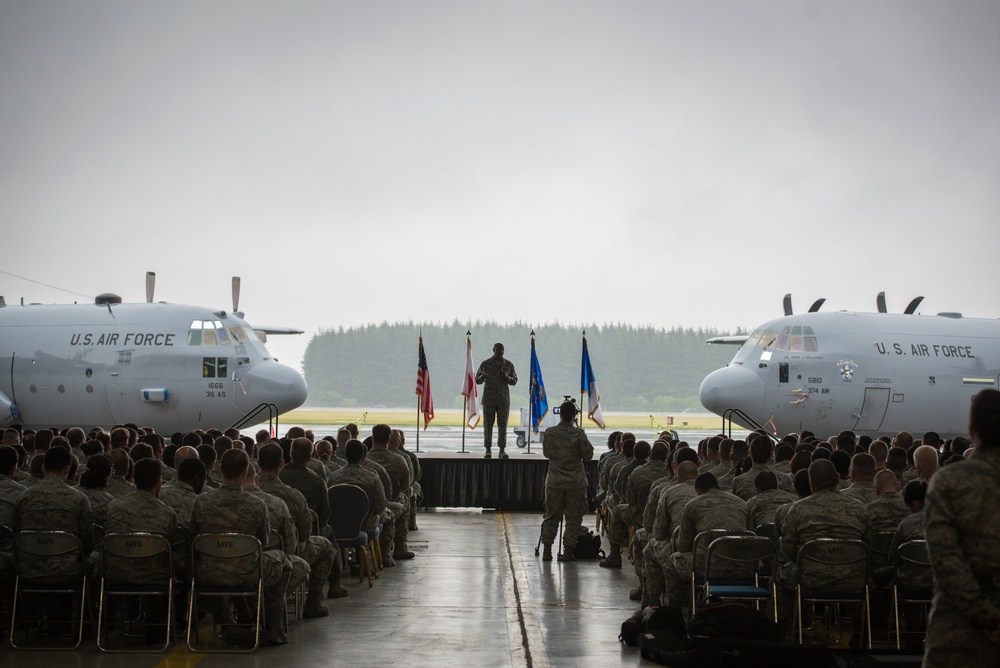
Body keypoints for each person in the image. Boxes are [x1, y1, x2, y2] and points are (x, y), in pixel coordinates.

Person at [923, 389, 1000, 667]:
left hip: (959, 631)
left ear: (971, 430)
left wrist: (986, 616)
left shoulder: (948, 482)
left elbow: (945, 561)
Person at [539, 400, 593, 562]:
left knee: (551, 516)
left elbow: (547, 454)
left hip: (555, 482)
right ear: (574, 416)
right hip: (575, 483)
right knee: (574, 518)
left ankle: (547, 551)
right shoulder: (578, 434)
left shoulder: (550, 433)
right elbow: (588, 456)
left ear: (560, 415)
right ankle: (568, 552)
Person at [476, 342, 517, 459]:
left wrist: (507, 378)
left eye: (502, 350)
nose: (500, 352)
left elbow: (514, 380)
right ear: (493, 350)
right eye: (498, 350)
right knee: (488, 425)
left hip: (503, 400)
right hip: (489, 400)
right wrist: (483, 376)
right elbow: (477, 380)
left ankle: (502, 450)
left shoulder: (508, 364)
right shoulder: (485, 364)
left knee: (502, 426)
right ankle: (488, 449)